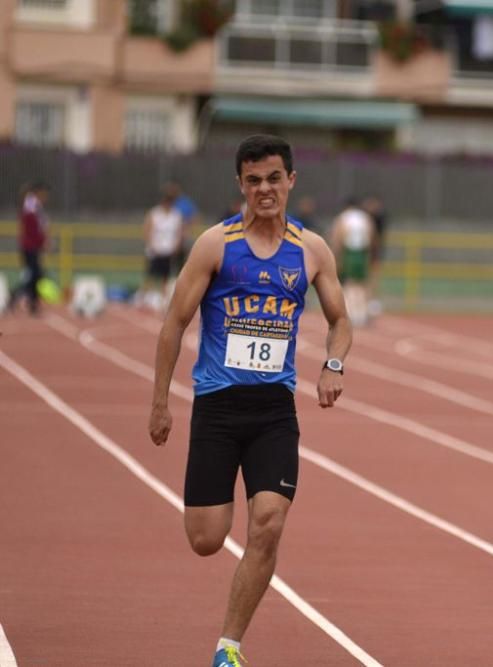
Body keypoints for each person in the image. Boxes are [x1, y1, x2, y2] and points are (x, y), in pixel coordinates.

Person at [147, 135, 352, 667]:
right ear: (240, 184)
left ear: (291, 181)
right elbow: (174, 322)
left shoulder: (311, 250)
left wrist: (332, 364)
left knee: (268, 522)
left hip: (273, 412)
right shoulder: (216, 244)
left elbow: (341, 319)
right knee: (206, 539)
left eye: (274, 178)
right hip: (217, 407)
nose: (265, 189)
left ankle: (228, 648)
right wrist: (160, 401)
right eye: (254, 180)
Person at [329, 197, 374, 326]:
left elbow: (339, 236)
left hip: (349, 252)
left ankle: (351, 313)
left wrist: (336, 256)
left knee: (349, 283)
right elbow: (371, 235)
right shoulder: (365, 217)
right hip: (362, 252)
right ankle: (363, 312)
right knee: (363, 283)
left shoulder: (343, 217)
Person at [138, 185, 184, 312]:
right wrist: (152, 246)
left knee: (166, 277)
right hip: (155, 251)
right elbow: (147, 230)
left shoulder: (176, 215)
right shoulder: (154, 214)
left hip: (168, 252)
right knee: (151, 276)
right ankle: (143, 299)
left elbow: (179, 233)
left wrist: (176, 247)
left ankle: (164, 301)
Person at [12, 181, 50, 316]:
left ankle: (31, 303)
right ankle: (17, 296)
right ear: (38, 192)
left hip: (32, 245)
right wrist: (42, 242)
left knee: (34, 275)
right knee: (35, 274)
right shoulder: (31, 205)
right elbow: (33, 228)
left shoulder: (34, 205)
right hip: (30, 246)